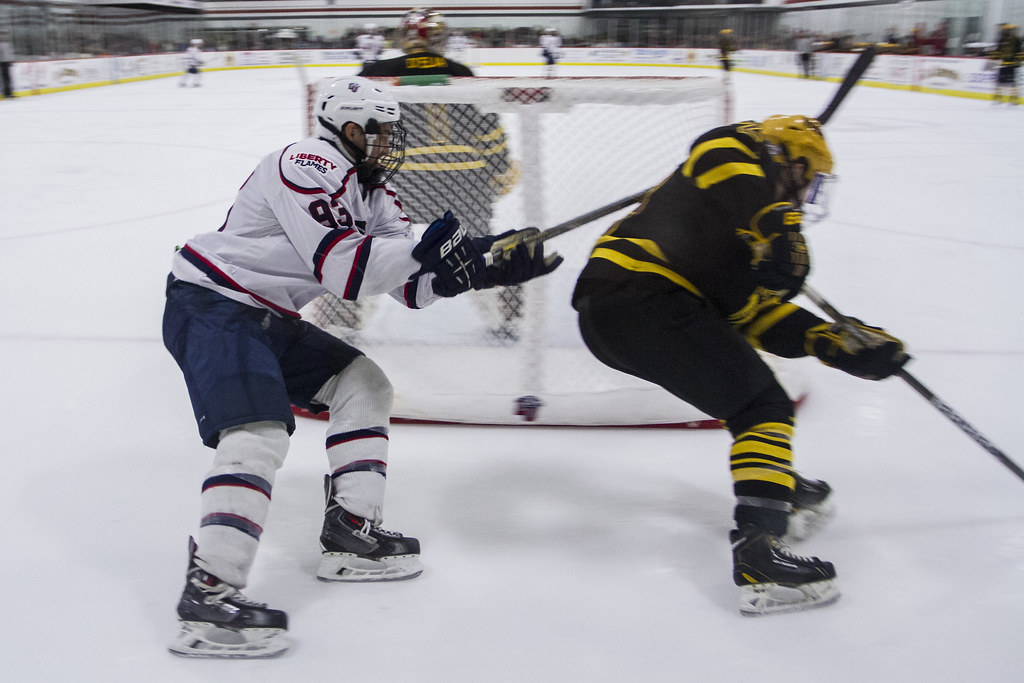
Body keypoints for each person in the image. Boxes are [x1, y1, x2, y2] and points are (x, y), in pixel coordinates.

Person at [162, 75, 560, 658]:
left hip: (268, 316)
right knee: (257, 431)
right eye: (380, 131)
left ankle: (351, 532)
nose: (390, 143)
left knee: (363, 384)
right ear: (348, 128)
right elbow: (345, 270)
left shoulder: (376, 196)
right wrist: (439, 250)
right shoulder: (306, 163)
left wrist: (481, 265)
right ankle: (208, 594)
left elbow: (409, 287)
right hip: (213, 303)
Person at [571, 115, 909, 616]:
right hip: (641, 297)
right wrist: (778, 221)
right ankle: (761, 555)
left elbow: (754, 315)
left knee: (746, 397)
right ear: (792, 166)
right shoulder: (738, 157)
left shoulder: (745, 228)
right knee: (762, 406)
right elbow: (720, 149)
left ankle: (772, 482)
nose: (808, 196)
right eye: (810, 180)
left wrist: (831, 341)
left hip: (622, 315)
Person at [357, 8, 523, 341]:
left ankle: (343, 318)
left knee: (369, 250)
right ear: (438, 38)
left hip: (402, 184)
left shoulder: (376, 73)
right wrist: (500, 168)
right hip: (466, 184)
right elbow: (487, 131)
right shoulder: (461, 72)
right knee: (477, 248)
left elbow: (360, 133)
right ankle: (507, 320)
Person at [991, 24, 1022, 105]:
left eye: (1007, 30)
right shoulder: (1001, 39)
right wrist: (995, 58)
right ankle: (999, 98)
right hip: (1003, 64)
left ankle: (1014, 99)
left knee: (1013, 82)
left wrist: (1017, 61)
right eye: (1004, 30)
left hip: (1012, 64)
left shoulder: (1016, 39)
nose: (1005, 31)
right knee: (999, 82)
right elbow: (998, 50)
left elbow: (1019, 51)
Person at [0, 29, 14, 99]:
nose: (4, 36)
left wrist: (10, 61)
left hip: (6, 62)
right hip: (2, 63)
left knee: (8, 78)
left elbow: (9, 53)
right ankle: (6, 93)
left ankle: (9, 93)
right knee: (4, 78)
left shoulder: (8, 44)